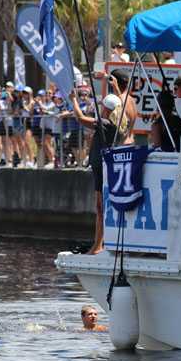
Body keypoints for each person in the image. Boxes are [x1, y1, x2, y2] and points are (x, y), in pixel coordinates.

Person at [69, 91, 121, 254]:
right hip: (101, 167)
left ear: (106, 109)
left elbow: (80, 118)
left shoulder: (105, 123)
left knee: (100, 208)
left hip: (101, 168)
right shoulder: (114, 123)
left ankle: (98, 245)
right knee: (100, 207)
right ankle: (98, 243)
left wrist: (73, 100)